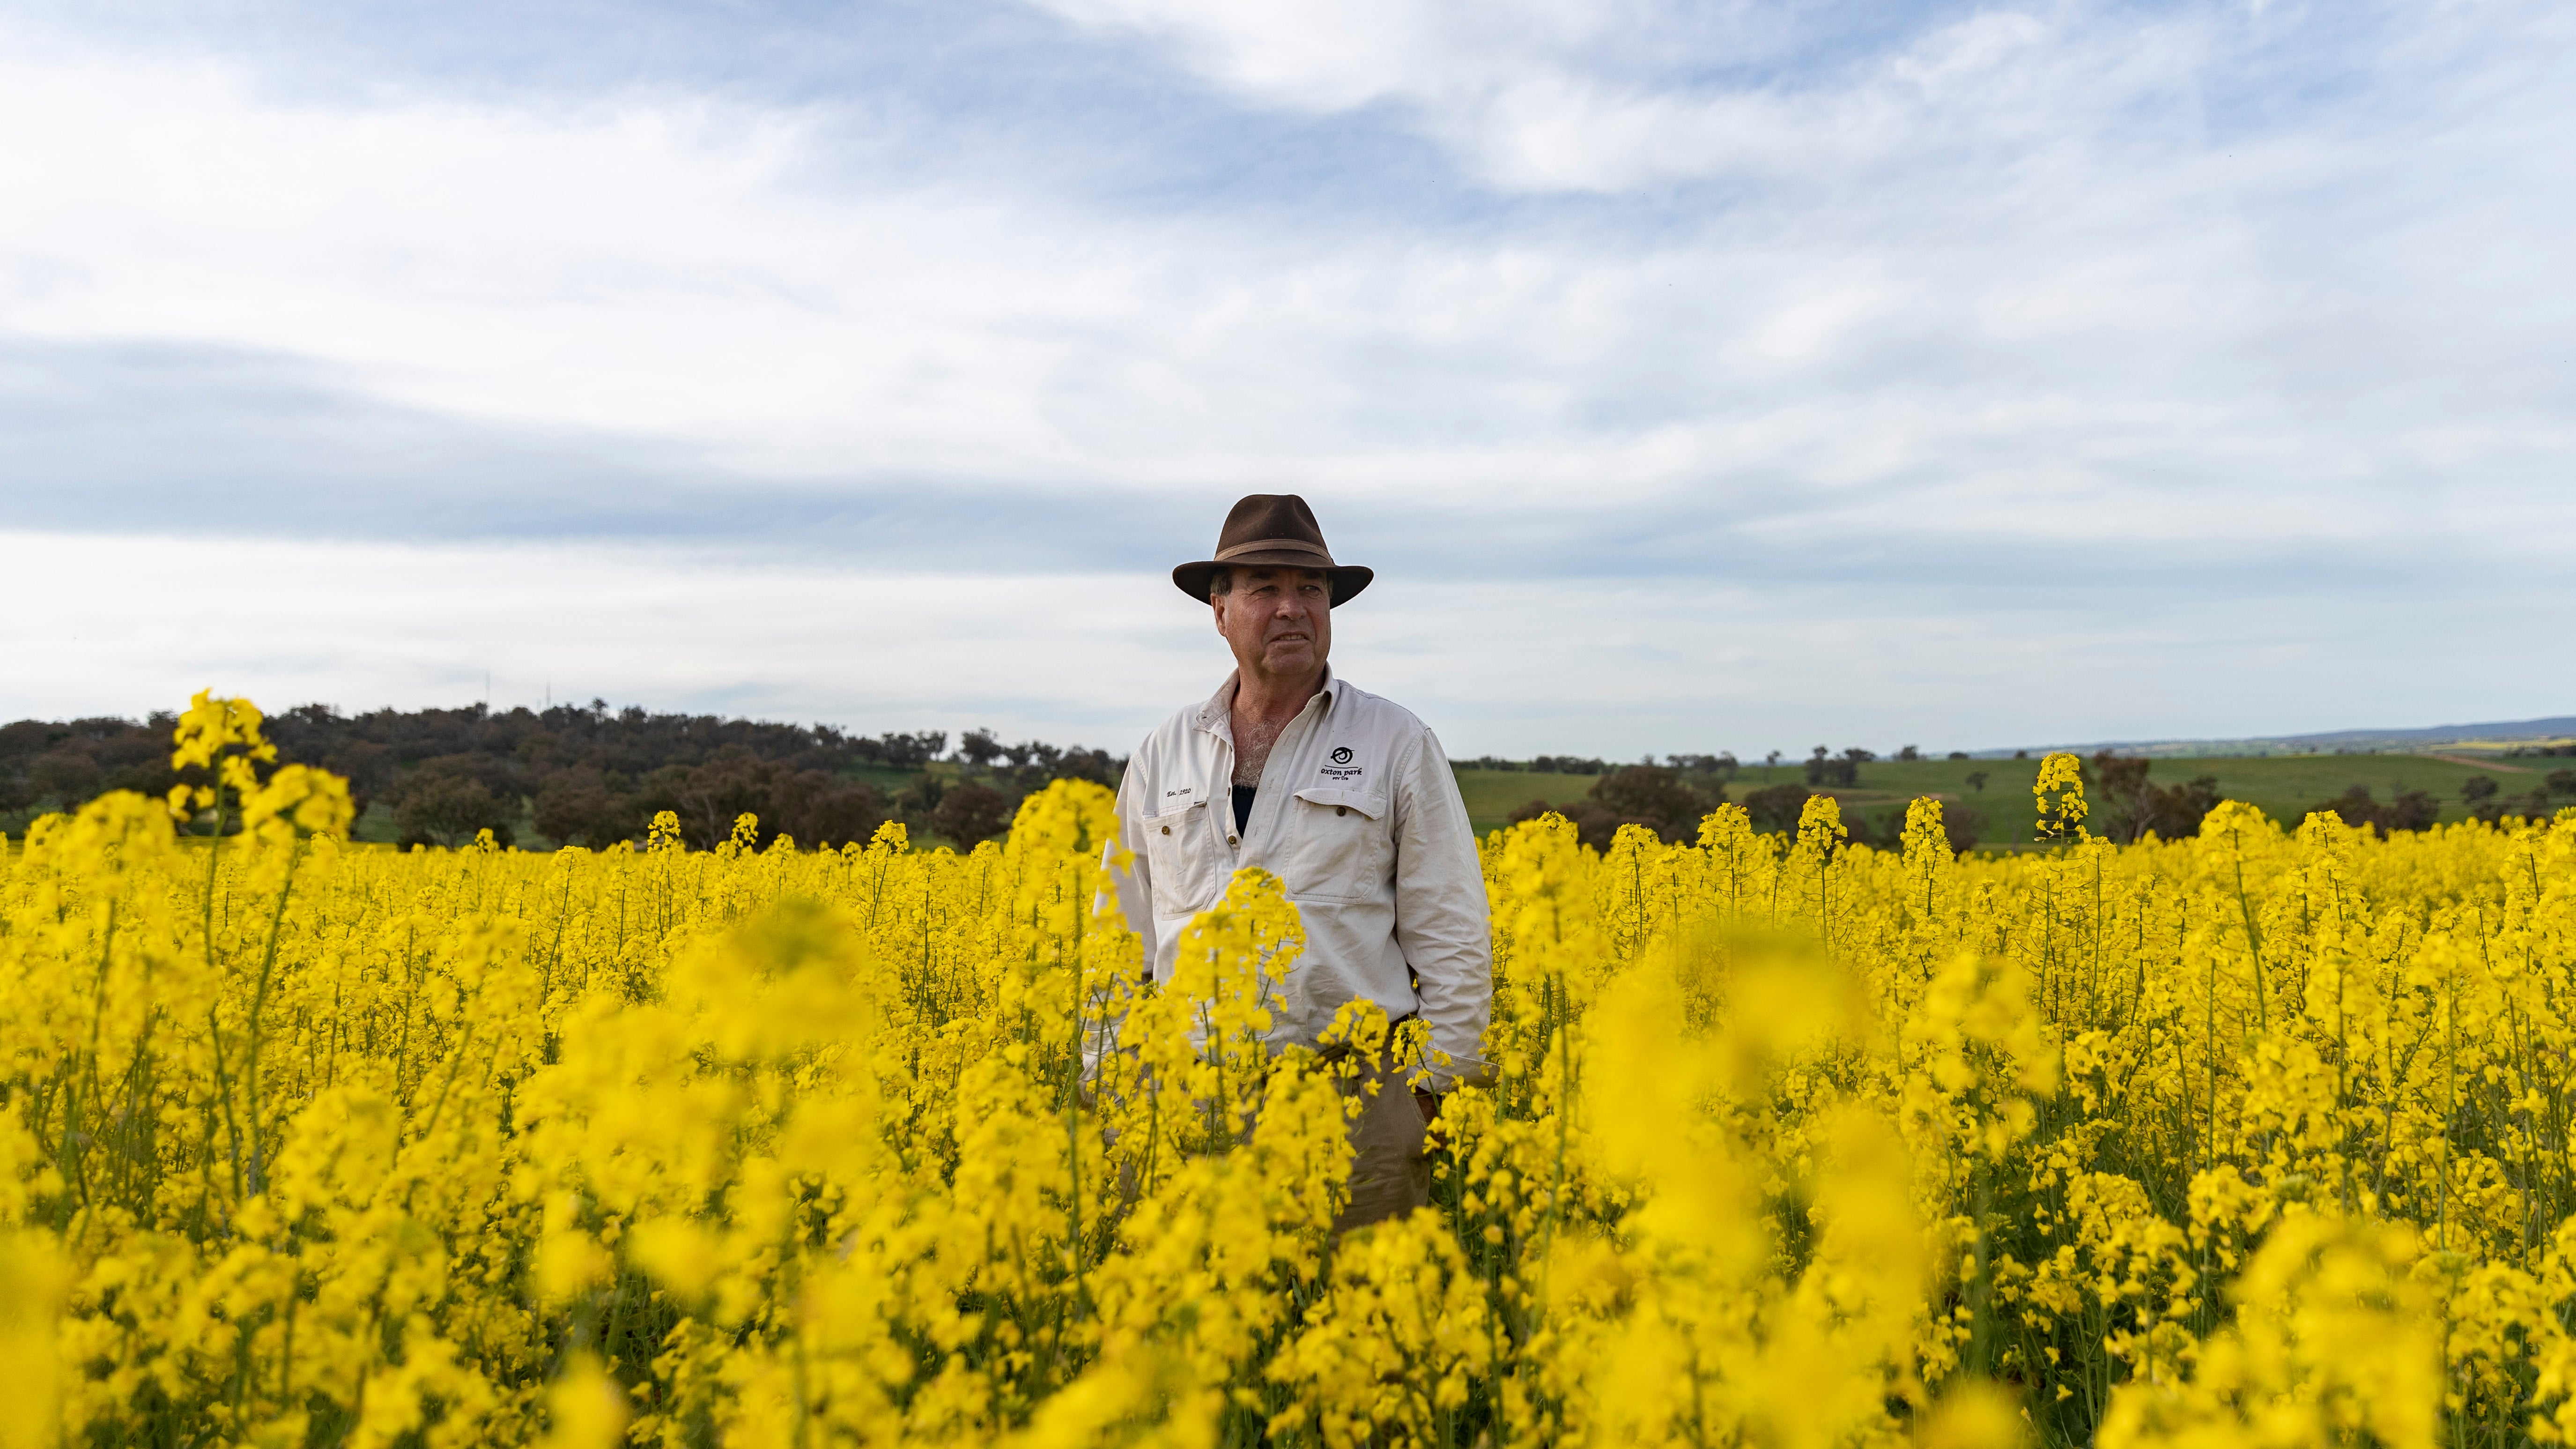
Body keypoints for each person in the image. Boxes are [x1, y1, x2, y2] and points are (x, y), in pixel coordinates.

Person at [1106, 493, 1493, 1231]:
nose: (1292, 608)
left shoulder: (1395, 740)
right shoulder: (1163, 754)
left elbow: (1453, 929)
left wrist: (1434, 1091)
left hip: (1355, 1099)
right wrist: (1114, 1087)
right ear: (1219, 611)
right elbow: (1118, 937)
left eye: (1310, 589)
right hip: (1184, 1102)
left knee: (1361, 1334)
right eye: (1265, 589)